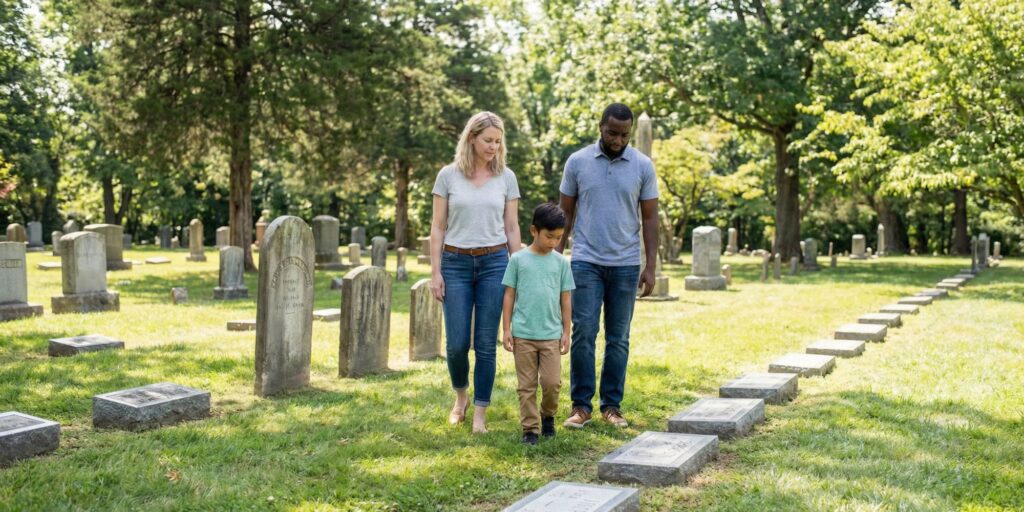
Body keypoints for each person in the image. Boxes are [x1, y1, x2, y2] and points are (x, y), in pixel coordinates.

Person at [557, 103, 659, 429]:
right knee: (583, 332)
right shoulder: (578, 162)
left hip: (626, 264)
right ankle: (581, 406)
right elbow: (565, 213)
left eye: (624, 134)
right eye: (612, 132)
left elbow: (650, 217)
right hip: (586, 260)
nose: (618, 140)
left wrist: (651, 265)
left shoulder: (643, 166)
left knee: (619, 338)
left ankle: (612, 406)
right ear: (600, 126)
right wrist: (555, 258)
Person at [430, 111, 521, 434]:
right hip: (454, 263)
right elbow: (438, 227)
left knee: (485, 342)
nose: (494, 146)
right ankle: (460, 397)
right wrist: (436, 272)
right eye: (488, 140)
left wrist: (518, 271)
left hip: (495, 263)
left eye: (498, 141)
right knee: (455, 344)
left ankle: (481, 412)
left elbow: (512, 228)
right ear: (471, 138)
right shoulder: (448, 176)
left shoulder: (506, 178)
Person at [501, 203, 574, 445]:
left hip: (551, 334)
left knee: (552, 383)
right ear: (534, 230)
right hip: (523, 334)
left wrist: (566, 331)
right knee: (526, 386)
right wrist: (507, 329)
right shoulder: (518, 260)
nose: (554, 242)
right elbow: (509, 295)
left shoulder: (562, 263)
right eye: (549, 236)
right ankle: (530, 429)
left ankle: (548, 416)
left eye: (559, 238)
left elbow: (565, 298)